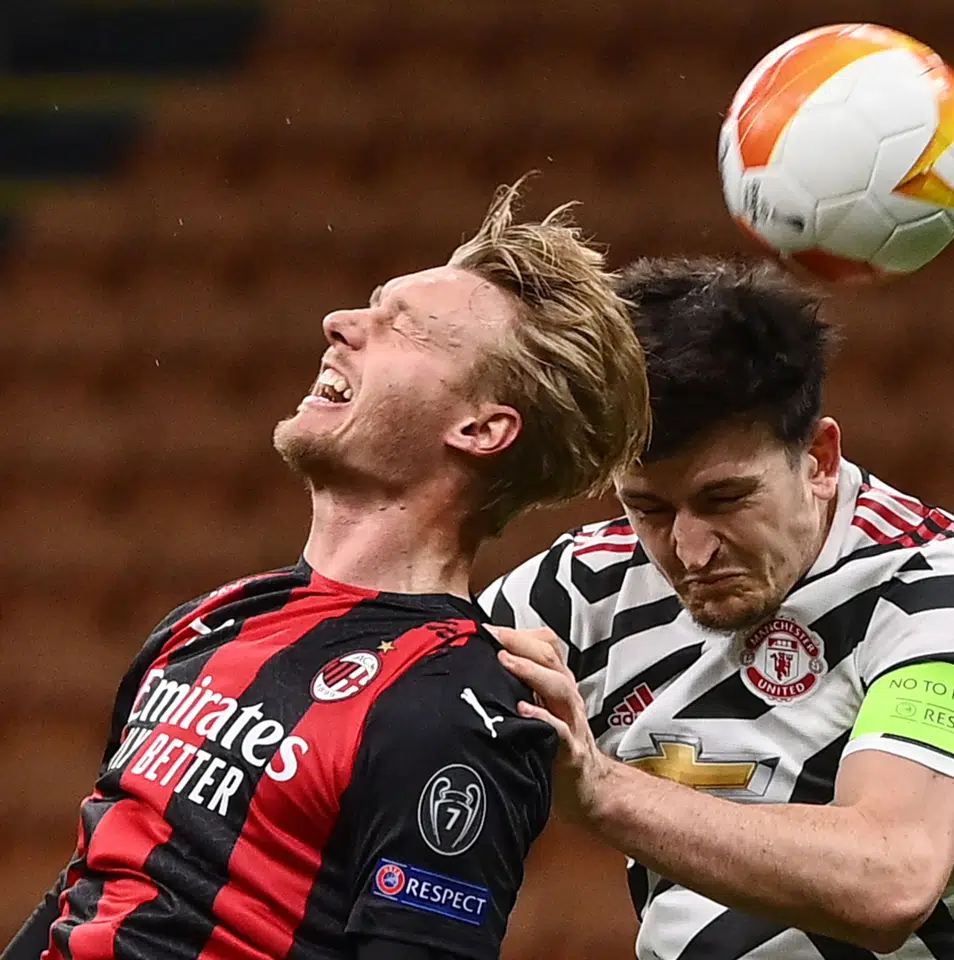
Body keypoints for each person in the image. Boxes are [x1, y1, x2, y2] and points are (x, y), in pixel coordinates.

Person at [2, 183, 651, 960]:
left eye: (400, 329)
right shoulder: (213, 618)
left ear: (481, 428)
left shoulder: (452, 711)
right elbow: (90, 888)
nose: (339, 324)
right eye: (368, 308)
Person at [481, 257, 954, 959]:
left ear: (820, 459)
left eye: (725, 500)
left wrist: (598, 789)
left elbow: (893, 880)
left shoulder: (935, 581)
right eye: (646, 508)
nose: (688, 551)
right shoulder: (583, 588)